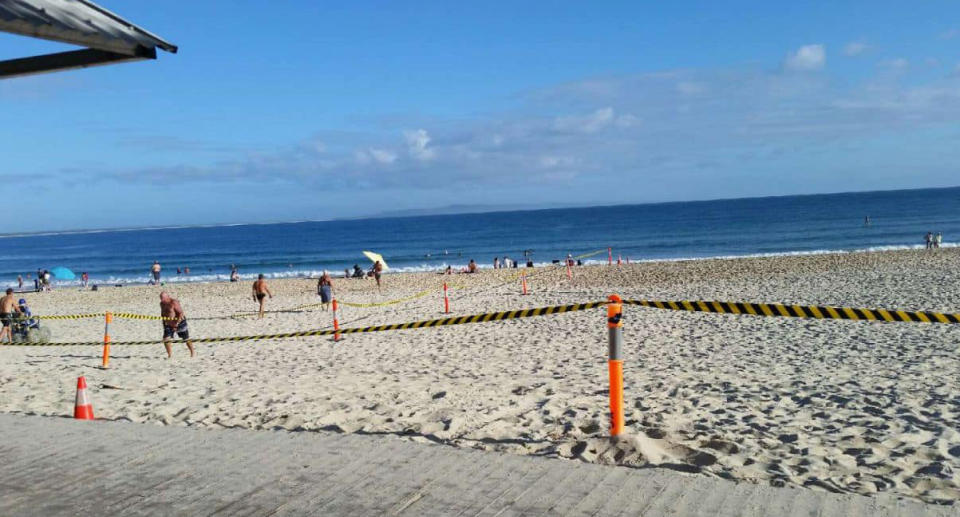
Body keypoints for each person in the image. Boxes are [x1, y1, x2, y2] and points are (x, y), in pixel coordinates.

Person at [159, 292, 194, 358]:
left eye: (163, 298)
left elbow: (181, 314)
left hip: (179, 322)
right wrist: (164, 323)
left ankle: (192, 352)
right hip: (168, 324)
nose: (162, 300)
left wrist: (176, 324)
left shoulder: (173, 302)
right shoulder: (161, 303)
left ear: (168, 296)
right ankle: (169, 355)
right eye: (161, 298)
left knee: (186, 338)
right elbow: (163, 314)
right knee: (166, 339)